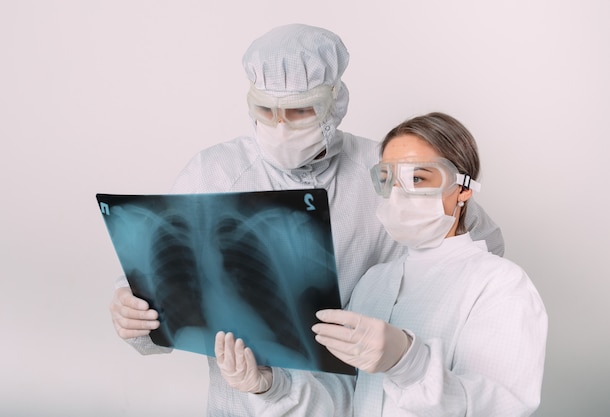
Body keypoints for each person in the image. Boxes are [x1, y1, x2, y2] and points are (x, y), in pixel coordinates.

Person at [109, 24, 505, 416]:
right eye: (266, 110)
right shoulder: (214, 173)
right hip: (240, 405)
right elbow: (159, 297)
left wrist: (409, 340)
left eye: (300, 111)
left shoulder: (383, 169)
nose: (281, 128)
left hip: (354, 403)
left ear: (336, 101)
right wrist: (133, 312)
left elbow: (473, 245)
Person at [215, 112, 548, 416]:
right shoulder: (375, 282)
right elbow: (348, 401)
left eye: (419, 178)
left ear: (463, 190)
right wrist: (270, 386)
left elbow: (502, 408)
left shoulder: (499, 284)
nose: (400, 194)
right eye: (388, 178)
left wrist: (409, 363)